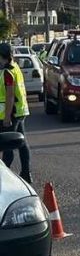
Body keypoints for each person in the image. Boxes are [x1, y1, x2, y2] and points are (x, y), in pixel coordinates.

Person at [0, 44, 31, 183]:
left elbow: (10, 95)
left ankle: (5, 178)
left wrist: (7, 118)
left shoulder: (7, 71)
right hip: (20, 110)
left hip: (11, 113)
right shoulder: (15, 67)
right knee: (21, 143)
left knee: (8, 145)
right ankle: (26, 173)